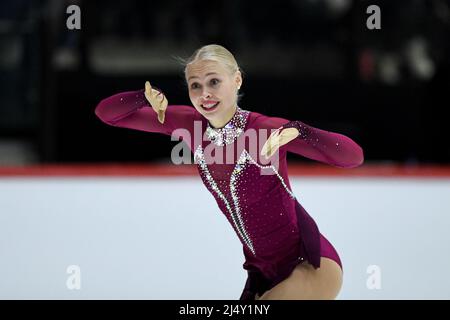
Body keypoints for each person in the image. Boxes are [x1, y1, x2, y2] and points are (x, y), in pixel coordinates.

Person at [94, 44, 364, 300]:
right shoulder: (188, 125)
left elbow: (353, 157)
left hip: (309, 264)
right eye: (195, 85)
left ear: (237, 80)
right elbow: (106, 113)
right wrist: (142, 97)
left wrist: (303, 131)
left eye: (214, 82)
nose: (204, 94)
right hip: (262, 273)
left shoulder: (263, 130)